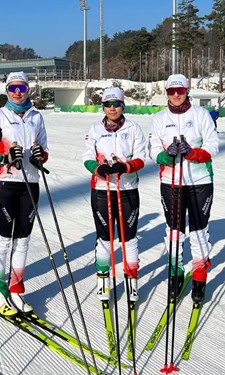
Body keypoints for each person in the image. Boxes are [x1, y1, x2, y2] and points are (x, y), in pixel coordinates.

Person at [0, 71, 48, 316]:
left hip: (30, 183)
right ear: (6, 90)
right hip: (5, 184)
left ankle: (16, 288)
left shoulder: (36, 117)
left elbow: (44, 149)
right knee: (5, 239)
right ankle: (0, 290)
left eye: (21, 88)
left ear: (27, 89)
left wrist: (41, 156)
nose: (17, 92)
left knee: (23, 239)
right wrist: (4, 158)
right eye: (13, 88)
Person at [149, 73, 219, 303]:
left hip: (199, 183)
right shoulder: (159, 118)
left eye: (180, 91)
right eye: (171, 91)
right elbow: (152, 150)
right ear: (166, 92)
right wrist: (165, 155)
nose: (176, 95)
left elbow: (213, 146)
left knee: (199, 231)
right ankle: (176, 273)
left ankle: (199, 275)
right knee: (174, 231)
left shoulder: (200, 114)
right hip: (171, 183)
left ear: (187, 90)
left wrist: (191, 153)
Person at [82, 87, 146, 304]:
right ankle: (103, 278)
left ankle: (131, 278)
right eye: (108, 104)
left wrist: (126, 166)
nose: (112, 108)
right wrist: (98, 168)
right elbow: (87, 157)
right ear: (103, 107)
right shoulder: (94, 129)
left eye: (116, 104)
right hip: (102, 190)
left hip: (127, 189)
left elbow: (141, 158)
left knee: (128, 237)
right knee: (105, 237)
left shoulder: (133, 128)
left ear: (122, 105)